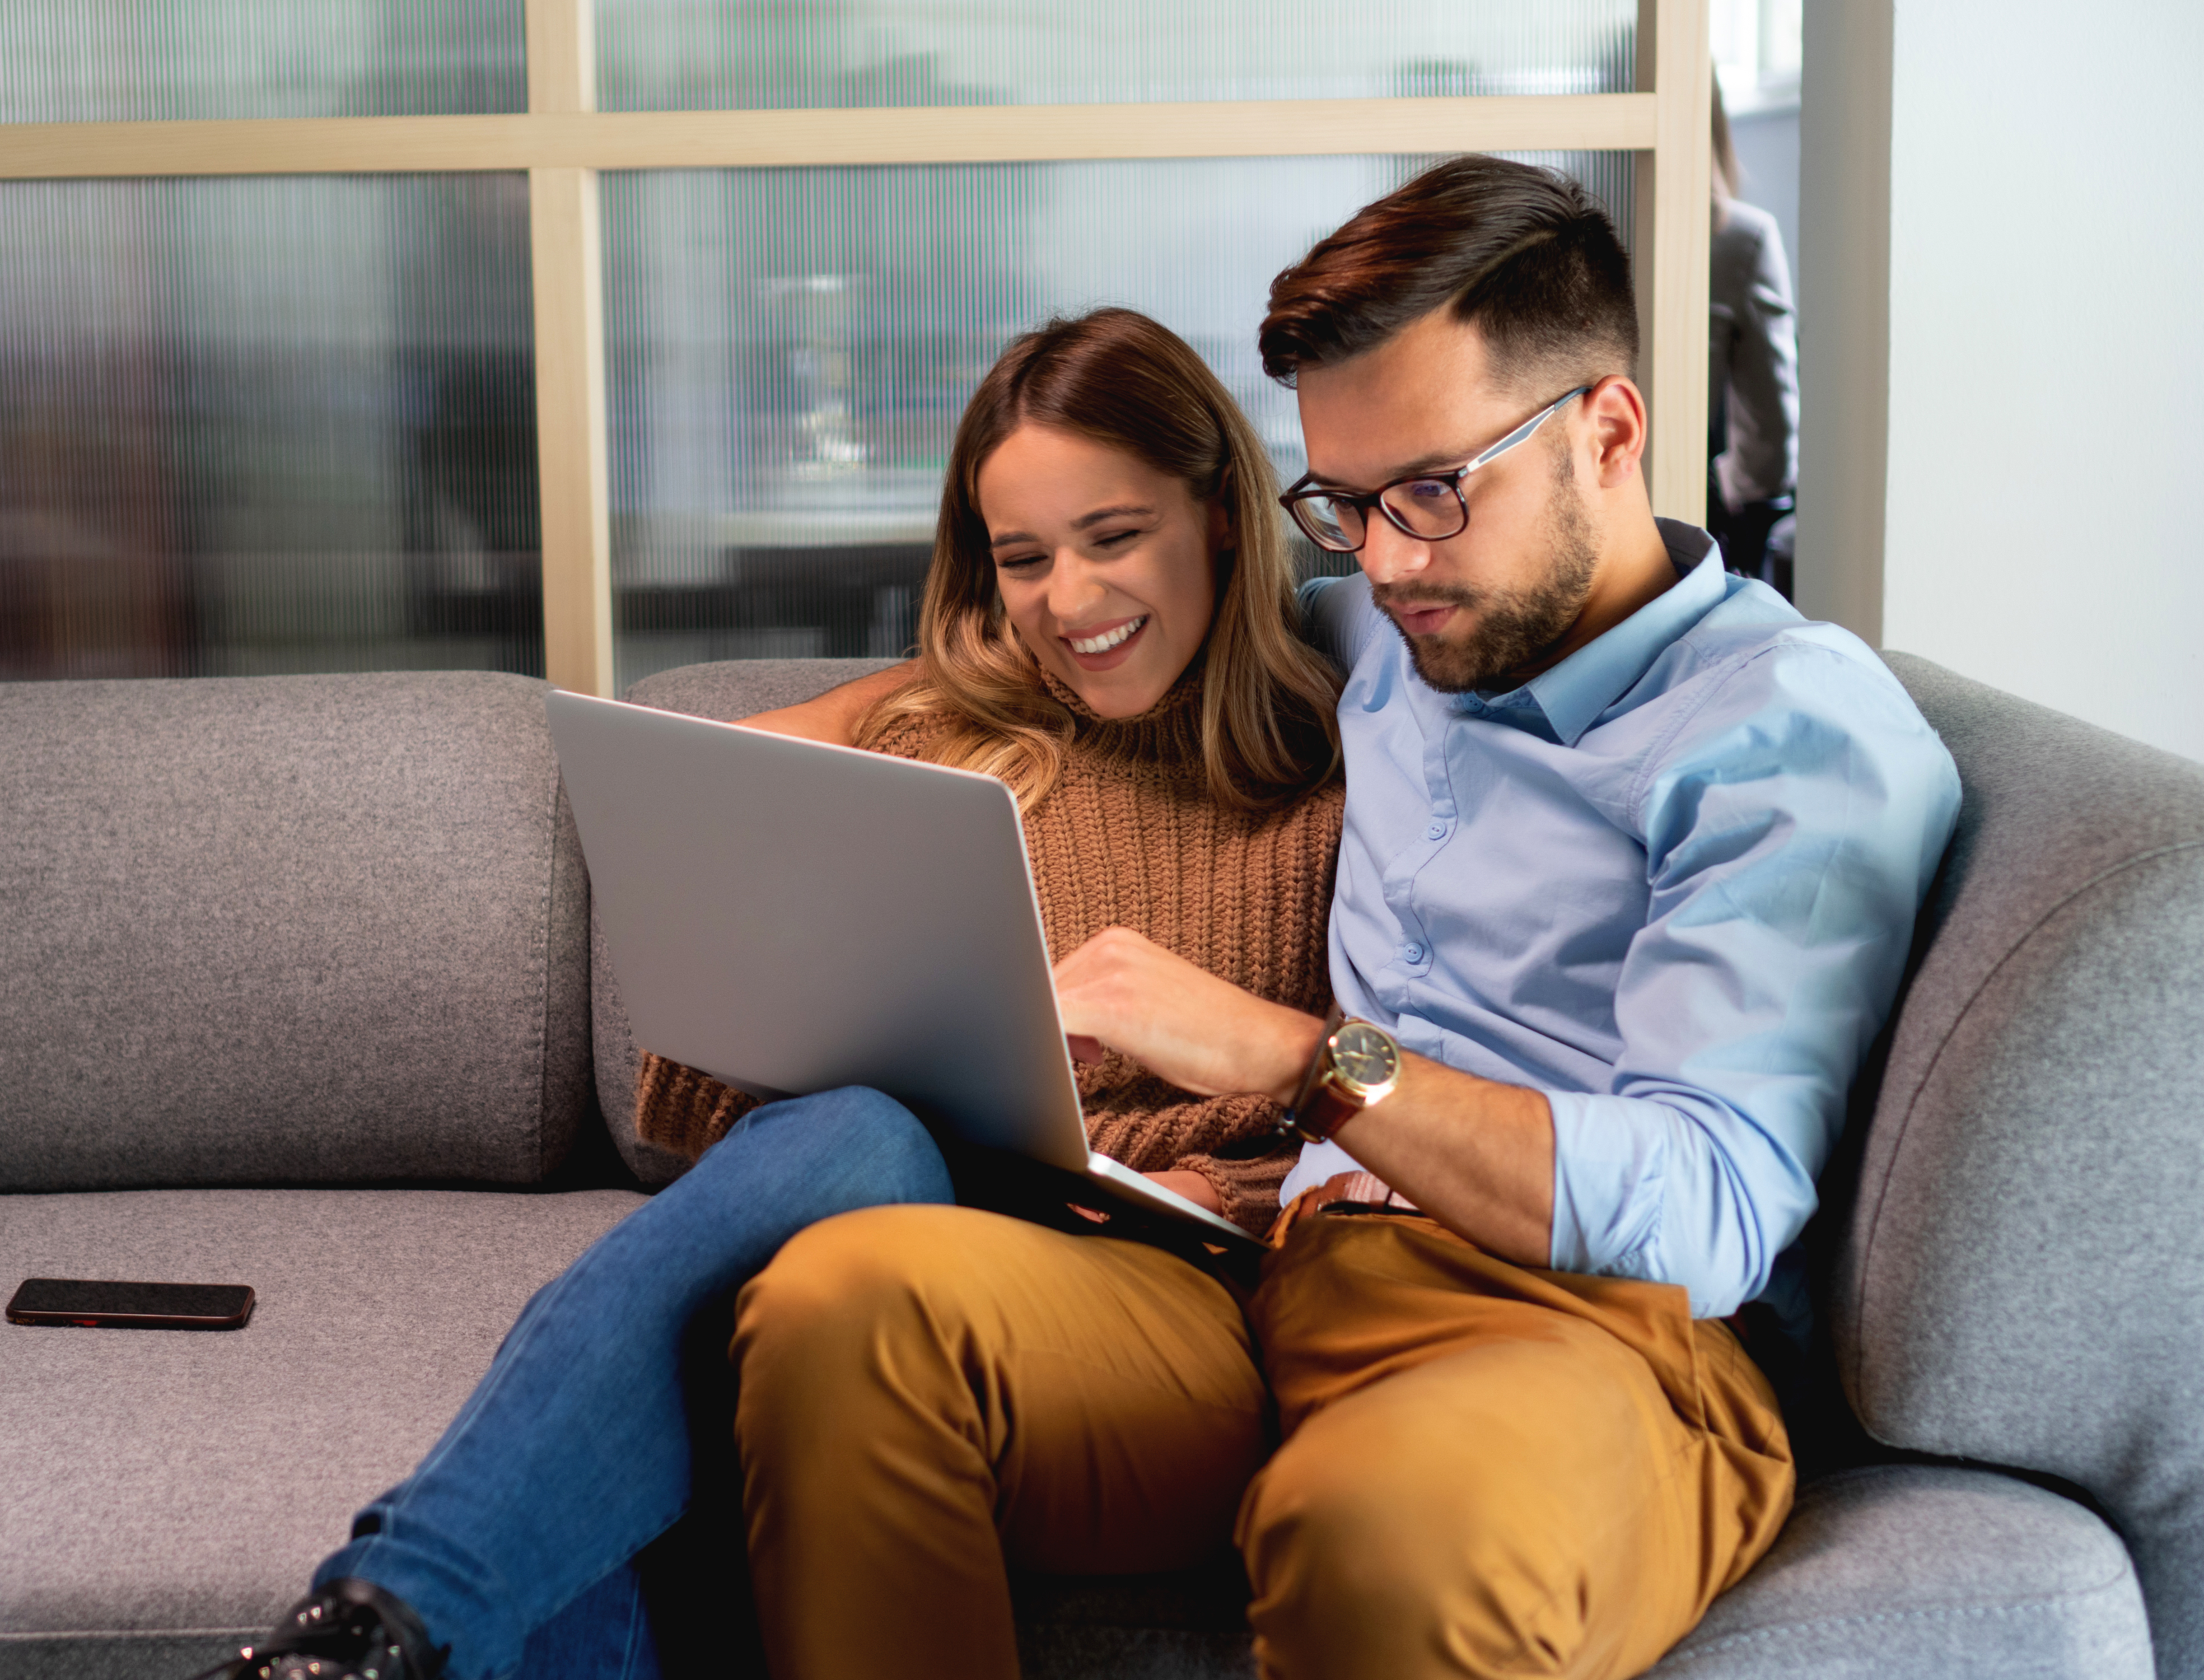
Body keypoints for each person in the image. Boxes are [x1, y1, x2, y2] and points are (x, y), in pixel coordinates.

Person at [720, 156, 1960, 1680]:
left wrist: (1303, 1056)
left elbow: (1704, 1212)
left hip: (1590, 1339)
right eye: (1344, 505)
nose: (1382, 562)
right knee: (846, 1303)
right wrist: (931, 680)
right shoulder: (1394, 622)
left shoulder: (1785, 738)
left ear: (1610, 431)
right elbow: (1117, 619)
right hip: (1276, 1287)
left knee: (1372, 1527)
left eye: (1431, 492)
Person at [193, 305, 1348, 1680]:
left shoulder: (1335, 772)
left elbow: (1373, 1088)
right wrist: (937, 699)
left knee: (710, 1337)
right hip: (880, 1208)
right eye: (1020, 559)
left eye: (1111, 539)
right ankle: (378, 1636)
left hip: (1131, 1281)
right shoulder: (952, 731)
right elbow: (699, 815)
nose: (1068, 603)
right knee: (854, 1138)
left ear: (1218, 515)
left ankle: (379, 1623)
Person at [1708, 77, 1800, 596]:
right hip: (1691, 516)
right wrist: (1734, 484)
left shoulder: (1565, 228)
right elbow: (1771, 442)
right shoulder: (1740, 238)